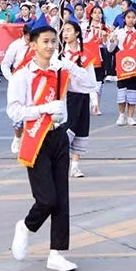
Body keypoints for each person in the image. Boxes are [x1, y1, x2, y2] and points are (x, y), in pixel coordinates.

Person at [7, 18, 97, 271]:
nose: (50, 46)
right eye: (45, 42)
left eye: (53, 41)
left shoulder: (61, 71)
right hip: (36, 138)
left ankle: (56, 253)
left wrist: (68, 64)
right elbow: (14, 111)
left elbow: (90, 85)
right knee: (46, 199)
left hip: (59, 137)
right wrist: (43, 109)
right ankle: (26, 226)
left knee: (62, 199)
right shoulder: (22, 75)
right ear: (32, 44)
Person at [59, 18, 99, 178]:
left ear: (77, 32)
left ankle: (75, 166)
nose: (65, 33)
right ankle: (61, 163)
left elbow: (91, 77)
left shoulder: (84, 55)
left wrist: (94, 99)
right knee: (66, 129)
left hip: (82, 96)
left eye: (69, 30)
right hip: (65, 96)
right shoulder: (59, 54)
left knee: (81, 129)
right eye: (63, 30)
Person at [107, 6, 136, 126]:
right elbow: (110, 49)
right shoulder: (118, 33)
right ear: (124, 19)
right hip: (122, 65)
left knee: (134, 91)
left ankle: (130, 116)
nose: (131, 20)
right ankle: (121, 115)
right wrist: (112, 41)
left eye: (133, 18)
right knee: (122, 91)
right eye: (128, 17)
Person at [2, 23, 35, 153]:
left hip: (34, 83)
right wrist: (11, 79)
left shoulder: (37, 45)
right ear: (24, 34)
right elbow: (5, 64)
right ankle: (17, 137)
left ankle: (31, 143)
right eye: (29, 37)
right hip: (19, 84)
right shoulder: (15, 46)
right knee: (18, 116)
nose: (31, 40)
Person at [84, 5, 109, 115]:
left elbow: (106, 45)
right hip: (87, 56)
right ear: (91, 14)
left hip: (100, 55)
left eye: (99, 12)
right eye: (95, 12)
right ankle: (90, 103)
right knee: (87, 81)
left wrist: (105, 37)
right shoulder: (85, 26)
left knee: (99, 82)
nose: (97, 15)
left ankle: (96, 106)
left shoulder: (104, 27)